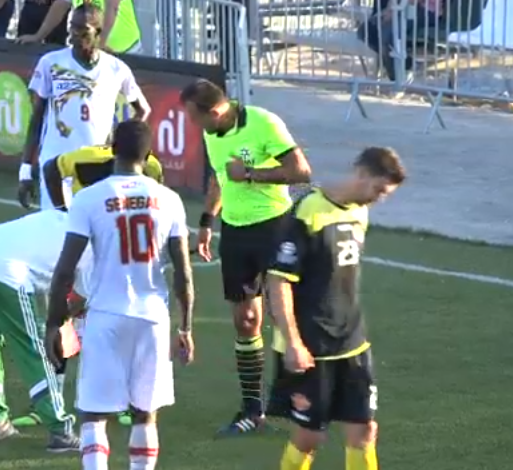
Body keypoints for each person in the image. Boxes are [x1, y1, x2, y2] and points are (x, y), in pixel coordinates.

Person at [44, 121, 195, 470]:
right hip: (153, 318)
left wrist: (56, 323)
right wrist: (185, 328)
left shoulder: (88, 199)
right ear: (149, 155)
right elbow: (184, 276)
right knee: (145, 414)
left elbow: (64, 270)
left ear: (112, 148)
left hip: (106, 315)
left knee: (94, 414)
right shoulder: (170, 200)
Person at [179, 78, 313, 436]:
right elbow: (221, 179)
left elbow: (302, 172)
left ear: (215, 111)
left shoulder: (264, 123)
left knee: (283, 315)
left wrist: (252, 174)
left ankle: (295, 399)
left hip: (275, 228)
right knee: (246, 320)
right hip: (235, 233)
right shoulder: (213, 133)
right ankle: (253, 410)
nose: (194, 126)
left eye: (195, 118)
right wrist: (208, 221)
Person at [267, 147, 407, 470]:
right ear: (361, 173)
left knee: (365, 430)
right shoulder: (308, 210)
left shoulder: (360, 212)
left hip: (352, 342)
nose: (379, 199)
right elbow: (278, 281)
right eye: (378, 190)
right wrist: (292, 343)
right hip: (310, 345)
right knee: (310, 437)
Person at [0, 210, 93, 452]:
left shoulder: (56, 219)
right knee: (34, 349)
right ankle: (60, 430)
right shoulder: (91, 247)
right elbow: (79, 299)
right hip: (5, 272)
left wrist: (58, 318)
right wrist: (60, 325)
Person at [18, 2, 150, 211]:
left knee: (93, 233)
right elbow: (36, 119)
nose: (74, 35)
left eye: (83, 30)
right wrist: (25, 170)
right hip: (55, 164)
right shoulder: (50, 64)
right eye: (72, 28)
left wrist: (122, 144)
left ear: (98, 32)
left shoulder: (116, 68)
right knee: (56, 229)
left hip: (95, 164)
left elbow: (143, 109)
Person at [43, 144, 164, 210]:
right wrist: (61, 211)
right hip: (88, 210)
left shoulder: (152, 166)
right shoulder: (88, 160)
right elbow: (50, 168)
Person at [356, 0, 441, 84]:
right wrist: (388, 10)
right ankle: (404, 65)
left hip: (425, 11)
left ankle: (398, 78)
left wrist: (393, 11)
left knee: (389, 33)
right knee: (365, 31)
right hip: (402, 8)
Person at [17, 0, 144, 55]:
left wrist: (100, 42)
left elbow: (112, 7)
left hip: (125, 49)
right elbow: (60, 5)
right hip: (92, 50)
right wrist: (38, 36)